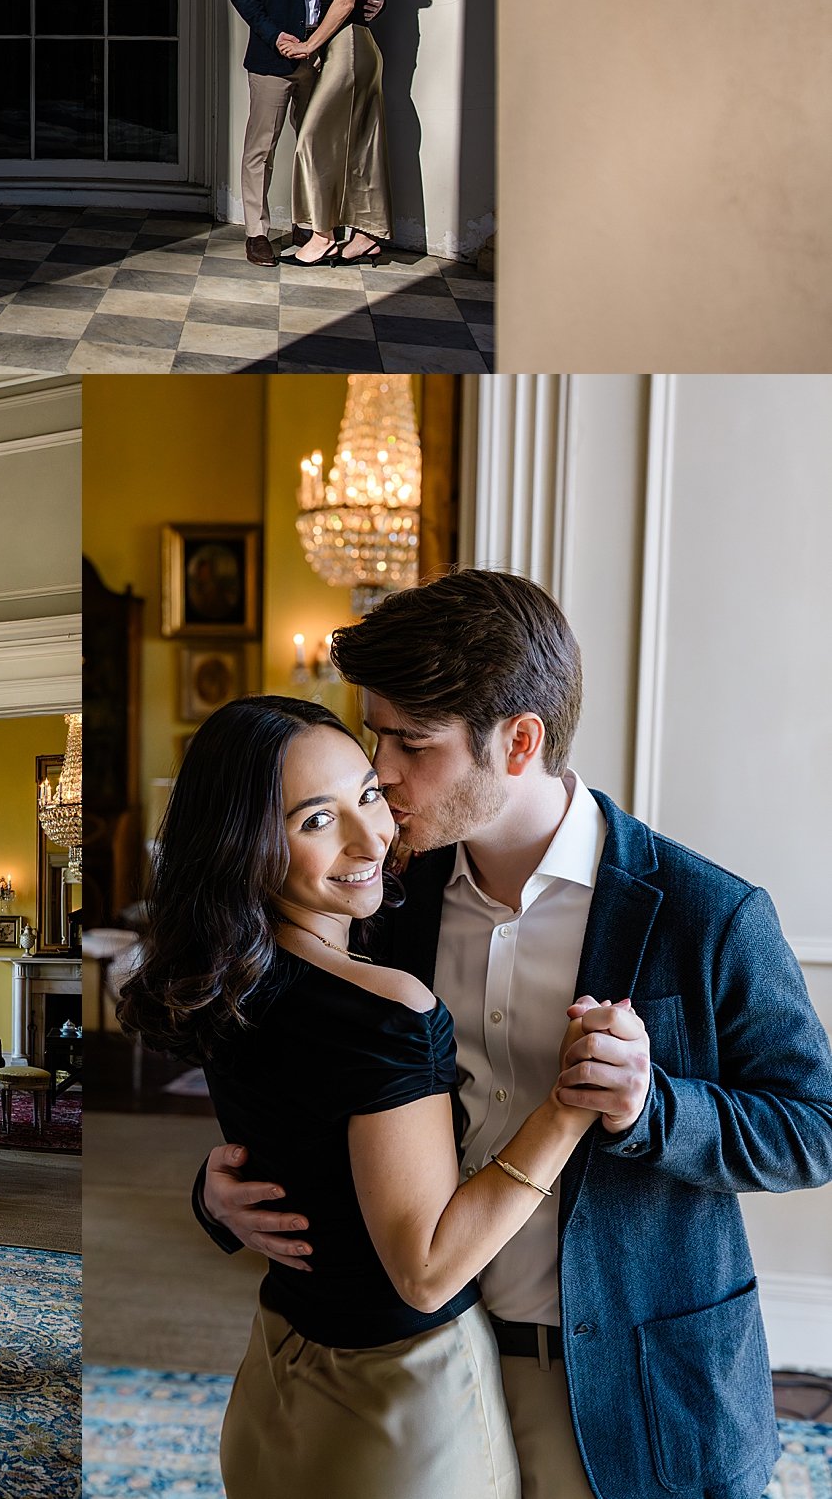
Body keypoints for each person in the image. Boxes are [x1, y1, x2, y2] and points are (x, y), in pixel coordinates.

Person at [196, 571, 832, 1499]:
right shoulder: (382, 905)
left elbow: (814, 1128)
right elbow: (304, 1079)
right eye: (377, 732)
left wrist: (656, 1106)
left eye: (411, 740)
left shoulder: (708, 913)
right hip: (431, 1375)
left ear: (520, 741)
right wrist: (217, 1195)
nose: (382, 769)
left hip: (635, 1388)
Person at [119, 693, 595, 1498]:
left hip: (275, 1373)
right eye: (315, 820)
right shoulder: (385, 1007)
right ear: (247, 846)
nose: (370, 834)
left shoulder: (226, 977)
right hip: (397, 1407)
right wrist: (569, 1105)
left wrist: (210, 1192)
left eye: (368, 794)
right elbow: (427, 1271)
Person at [228, 0, 382, 267]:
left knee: (316, 143)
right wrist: (275, 35)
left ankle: (310, 224)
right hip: (273, 57)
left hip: (324, 54)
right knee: (262, 147)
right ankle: (257, 232)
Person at [280, 0, 396, 267]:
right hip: (361, 47)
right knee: (361, 144)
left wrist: (310, 44)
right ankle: (365, 236)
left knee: (313, 139)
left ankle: (321, 236)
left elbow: (345, 3)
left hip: (347, 48)